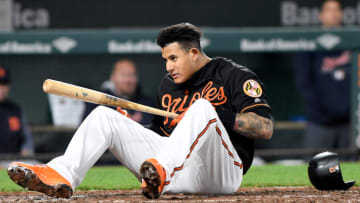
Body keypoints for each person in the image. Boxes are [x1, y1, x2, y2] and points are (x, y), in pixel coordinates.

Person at [7, 23, 273, 199]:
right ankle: (62, 174)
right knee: (105, 115)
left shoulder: (232, 75)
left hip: (222, 172)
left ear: (193, 53)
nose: (168, 66)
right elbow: (160, 136)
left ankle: (162, 172)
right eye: (165, 60)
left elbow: (265, 128)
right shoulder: (168, 86)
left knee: (202, 107)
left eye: (173, 58)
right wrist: (130, 129)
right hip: (172, 173)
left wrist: (211, 114)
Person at [293, 0, 351, 149]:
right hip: (319, 122)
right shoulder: (309, 41)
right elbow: (303, 82)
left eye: (336, 10)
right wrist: (324, 111)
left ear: (342, 14)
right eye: (329, 10)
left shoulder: (353, 40)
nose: (333, 14)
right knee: (316, 167)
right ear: (321, 15)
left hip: (349, 122)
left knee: (353, 169)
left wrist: (349, 109)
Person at [82, 59, 154, 125]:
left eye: (131, 75)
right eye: (123, 75)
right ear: (113, 77)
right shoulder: (98, 103)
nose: (127, 80)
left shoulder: (147, 104)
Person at [0, 67, 34, 156]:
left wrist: (26, 150)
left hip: (13, 159)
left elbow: (27, 137)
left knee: (36, 167)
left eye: (4, 84)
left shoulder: (15, 109)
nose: (2, 88)